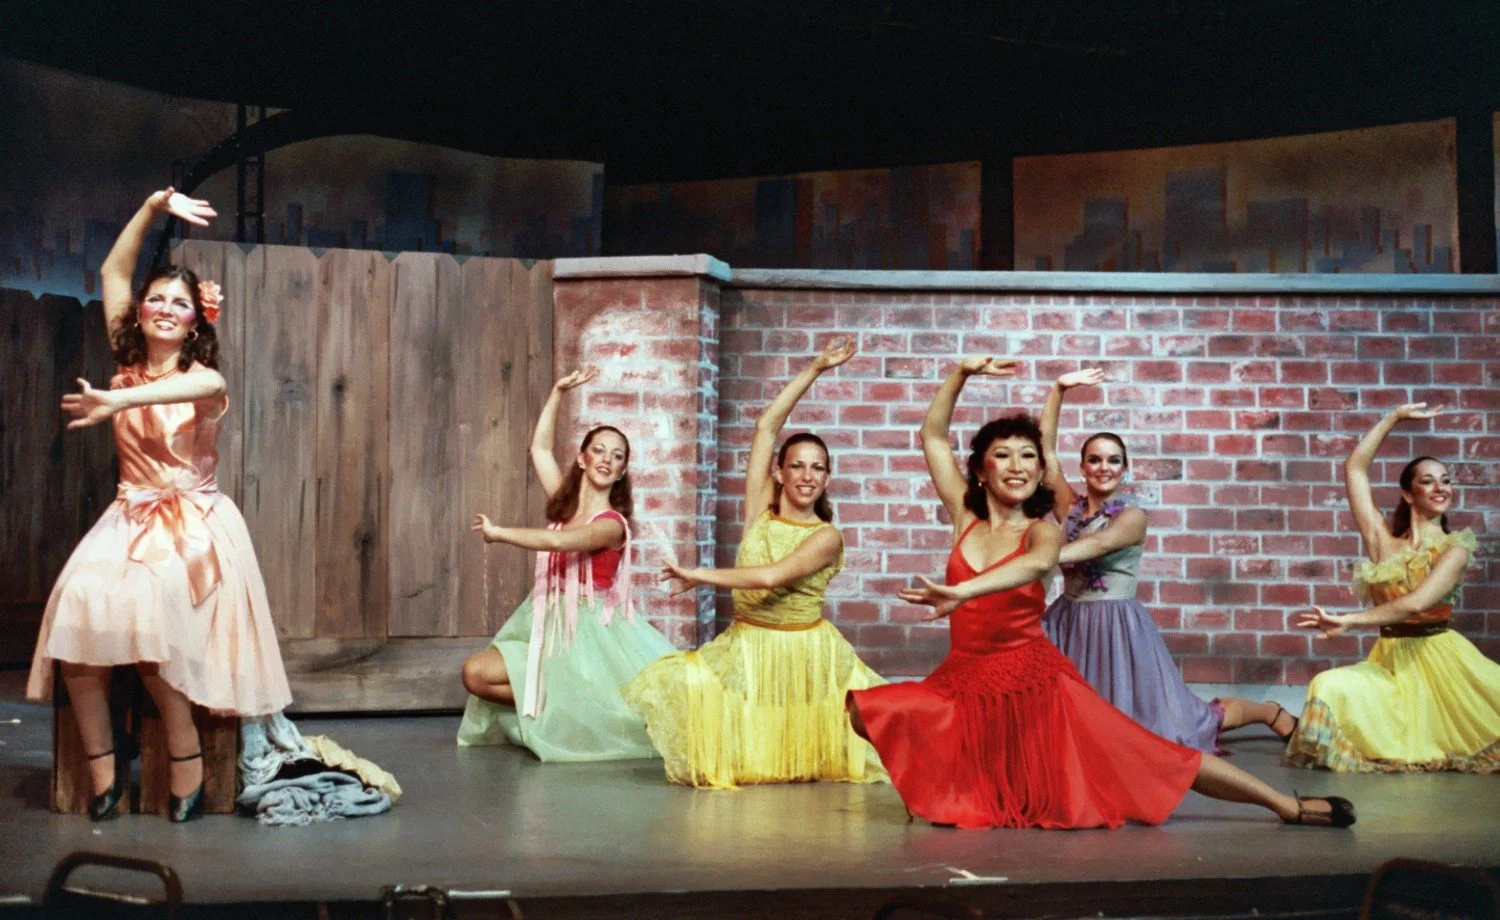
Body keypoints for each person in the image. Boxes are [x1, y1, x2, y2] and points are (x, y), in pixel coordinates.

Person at [847, 357, 1355, 829]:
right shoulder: (966, 515)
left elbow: (1040, 565)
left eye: (1028, 455)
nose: (1019, 464)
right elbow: (932, 435)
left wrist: (962, 592)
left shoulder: (1044, 528)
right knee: (866, 712)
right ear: (981, 469)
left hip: (1035, 678)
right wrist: (961, 373)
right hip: (965, 677)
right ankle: (979, 788)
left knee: (1154, 754)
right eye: (1003, 455)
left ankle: (1286, 805)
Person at [27, 188, 291, 822]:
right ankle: (102, 771)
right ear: (140, 312)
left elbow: (210, 383)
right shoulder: (126, 359)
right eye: (157, 299)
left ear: (196, 320)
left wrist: (116, 403)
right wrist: (152, 207)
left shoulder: (201, 380)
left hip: (195, 526)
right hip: (131, 515)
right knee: (76, 602)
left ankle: (185, 758)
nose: (166, 309)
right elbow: (112, 271)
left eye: (180, 303)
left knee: (149, 609)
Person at [622, 337, 886, 788]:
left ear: (827, 479)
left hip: (803, 654)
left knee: (804, 761)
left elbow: (770, 576)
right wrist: (817, 367)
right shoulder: (759, 512)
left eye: (818, 468)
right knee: (674, 689)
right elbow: (766, 427)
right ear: (779, 473)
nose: (807, 476)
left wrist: (697, 574)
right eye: (798, 466)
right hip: (747, 644)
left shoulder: (825, 537)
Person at [1040, 369, 1296, 750]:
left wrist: (1032, 560)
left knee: (1181, 720)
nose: (1104, 468)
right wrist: (1058, 389)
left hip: (1114, 628)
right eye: (1094, 460)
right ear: (1083, 467)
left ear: (1124, 469)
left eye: (1113, 461)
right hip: (1069, 622)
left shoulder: (1131, 518)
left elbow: (1092, 547)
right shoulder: (1071, 506)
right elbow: (1045, 453)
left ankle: (1269, 712)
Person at [457, 364, 675, 760]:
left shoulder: (612, 525)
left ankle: (578, 711)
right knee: (475, 673)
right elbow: (539, 449)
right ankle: (561, 708)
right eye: (599, 450)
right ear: (582, 458)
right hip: (547, 621)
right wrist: (558, 392)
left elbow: (560, 540)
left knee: (629, 712)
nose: (606, 459)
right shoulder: (566, 500)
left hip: (589, 634)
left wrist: (500, 532)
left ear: (623, 470)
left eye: (617, 456)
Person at [1287, 402, 1497, 773]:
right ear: (1407, 492)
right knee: (1327, 685)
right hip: (1391, 662)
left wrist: (1350, 620)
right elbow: (1355, 468)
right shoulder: (1382, 542)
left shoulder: (1455, 549)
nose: (1441, 487)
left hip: (1445, 666)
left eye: (1446, 480)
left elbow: (1414, 604)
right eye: (1429, 480)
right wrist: (1394, 418)